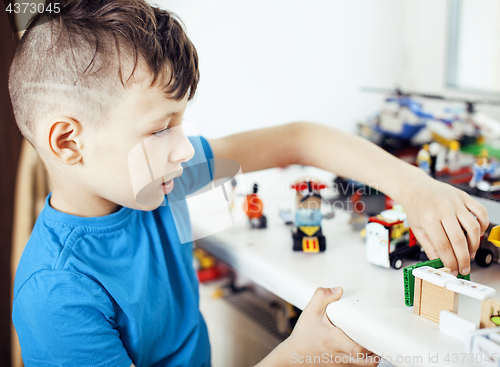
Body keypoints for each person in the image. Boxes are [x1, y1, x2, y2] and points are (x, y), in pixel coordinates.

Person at [9, 1, 488, 366]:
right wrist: (291, 357)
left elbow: (298, 138)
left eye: (180, 122)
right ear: (69, 142)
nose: (183, 147)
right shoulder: (55, 294)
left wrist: (416, 186)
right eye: (159, 129)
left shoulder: (156, 181)